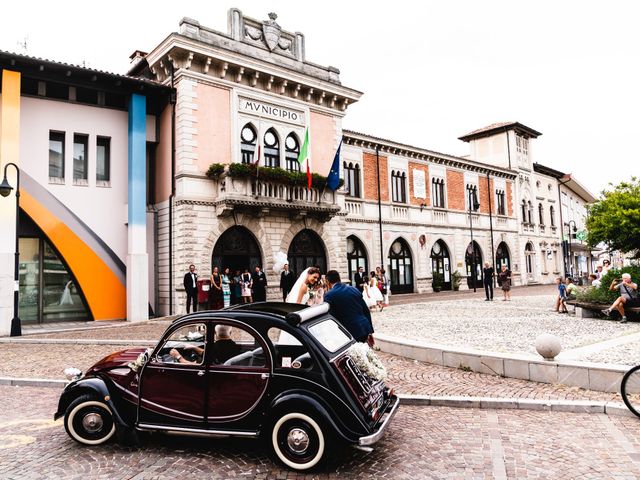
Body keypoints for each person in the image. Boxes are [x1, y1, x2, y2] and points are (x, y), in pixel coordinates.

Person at [324, 270, 375, 346]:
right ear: (339, 279)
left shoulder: (329, 295)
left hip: (349, 331)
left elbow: (332, 317)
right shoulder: (353, 289)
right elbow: (366, 310)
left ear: (327, 281)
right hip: (364, 327)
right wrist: (370, 331)